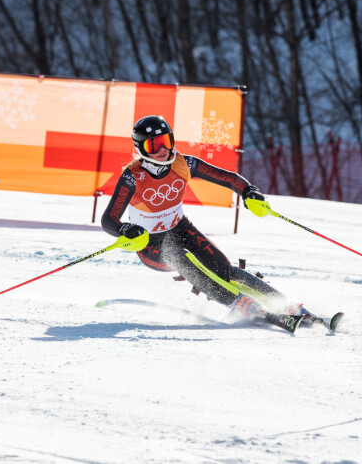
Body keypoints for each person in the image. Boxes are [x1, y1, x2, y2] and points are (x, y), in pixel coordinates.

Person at [101, 115, 324, 331]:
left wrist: (248, 191)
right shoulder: (132, 176)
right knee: (181, 257)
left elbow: (227, 178)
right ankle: (242, 305)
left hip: (181, 228)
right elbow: (109, 219)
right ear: (141, 149)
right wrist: (124, 228)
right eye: (154, 145)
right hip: (149, 244)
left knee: (225, 271)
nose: (162, 150)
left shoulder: (183, 163)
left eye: (166, 142)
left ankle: (286, 305)